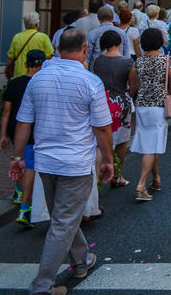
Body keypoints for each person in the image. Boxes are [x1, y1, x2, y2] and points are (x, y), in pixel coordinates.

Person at [10, 28, 113, 295]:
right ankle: (42, 286)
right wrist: (109, 160)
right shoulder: (91, 81)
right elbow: (102, 128)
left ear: (57, 50)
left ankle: (81, 261)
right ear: (84, 50)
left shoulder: (38, 79)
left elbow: (24, 122)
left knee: (63, 217)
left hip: (45, 161)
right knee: (63, 222)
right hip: (76, 162)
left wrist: (18, 157)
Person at [0, 49, 47, 228]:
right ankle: (25, 208)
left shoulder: (15, 83)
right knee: (30, 167)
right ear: (42, 64)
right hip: (32, 130)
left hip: (14, 129)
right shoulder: (40, 83)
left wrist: (4, 134)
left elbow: (6, 111)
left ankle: (19, 192)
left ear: (26, 64)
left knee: (19, 158)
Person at [130, 28, 171, 201]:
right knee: (152, 145)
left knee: (152, 141)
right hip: (159, 105)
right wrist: (170, 96)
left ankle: (156, 179)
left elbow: (133, 85)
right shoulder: (166, 60)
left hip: (142, 104)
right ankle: (141, 185)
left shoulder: (139, 62)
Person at [91, 30, 138, 189]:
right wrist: (126, 96)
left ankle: (97, 180)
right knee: (122, 139)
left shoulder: (97, 60)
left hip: (101, 101)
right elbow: (134, 85)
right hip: (121, 103)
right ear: (119, 43)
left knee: (99, 141)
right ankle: (116, 175)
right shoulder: (128, 62)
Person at [6, 12, 54, 80]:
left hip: (19, 74)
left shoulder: (17, 37)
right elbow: (50, 57)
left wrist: (7, 71)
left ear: (25, 24)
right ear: (37, 24)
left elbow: (10, 57)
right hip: (37, 74)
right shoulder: (43, 37)